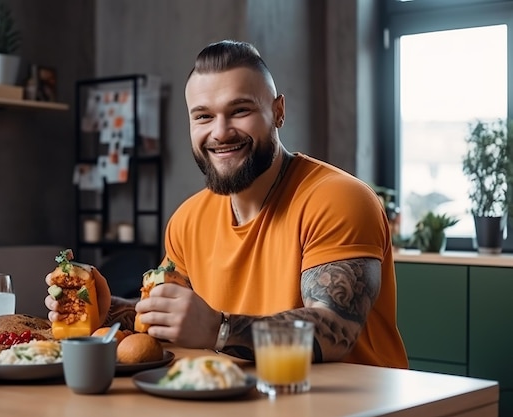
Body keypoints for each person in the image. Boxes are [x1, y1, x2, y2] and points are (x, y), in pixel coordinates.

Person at [46, 39, 408, 369]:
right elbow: (172, 319)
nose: (220, 132)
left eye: (239, 111)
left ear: (278, 111)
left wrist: (219, 329)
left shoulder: (337, 198)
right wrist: (103, 308)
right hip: (242, 400)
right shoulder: (187, 219)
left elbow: (335, 330)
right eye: (203, 116)